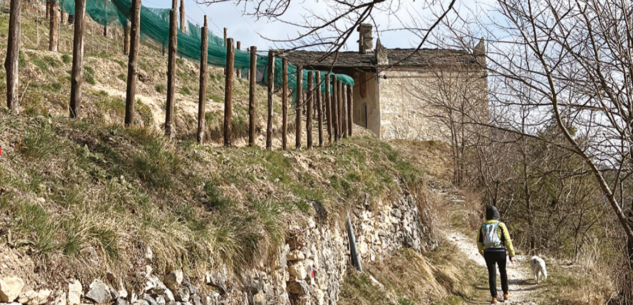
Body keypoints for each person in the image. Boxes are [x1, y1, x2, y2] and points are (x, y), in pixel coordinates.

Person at [477, 206, 515, 304]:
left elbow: (479, 241)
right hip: (500, 251)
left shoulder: (482, 226)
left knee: (492, 274)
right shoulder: (501, 225)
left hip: (488, 252)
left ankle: (494, 297)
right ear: (496, 214)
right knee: (503, 271)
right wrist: (511, 254)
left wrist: (482, 252)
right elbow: (507, 240)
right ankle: (505, 293)